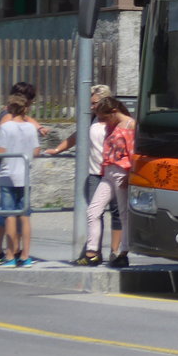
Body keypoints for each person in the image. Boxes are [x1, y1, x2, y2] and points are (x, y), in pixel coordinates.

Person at [45, 85, 122, 262]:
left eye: (94, 103)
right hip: (96, 173)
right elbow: (77, 136)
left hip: (115, 172)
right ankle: (93, 251)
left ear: (105, 102)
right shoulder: (92, 120)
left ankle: (115, 252)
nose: (91, 107)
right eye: (91, 103)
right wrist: (57, 149)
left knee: (118, 213)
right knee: (95, 212)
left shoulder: (116, 121)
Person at [76, 97, 135, 269]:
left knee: (123, 213)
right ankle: (92, 253)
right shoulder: (112, 124)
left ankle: (123, 253)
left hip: (122, 172)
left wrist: (129, 175)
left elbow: (133, 153)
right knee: (93, 211)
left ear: (114, 112)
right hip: (108, 171)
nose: (103, 121)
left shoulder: (130, 125)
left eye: (105, 117)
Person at [0, 92, 42, 266]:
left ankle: (10, 254)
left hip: (8, 175)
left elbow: (1, 151)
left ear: (9, 108)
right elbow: (36, 151)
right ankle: (25, 255)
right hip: (25, 175)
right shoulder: (30, 127)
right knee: (24, 215)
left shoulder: (6, 127)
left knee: (9, 215)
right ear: (26, 108)